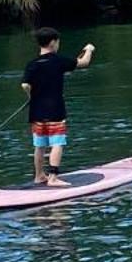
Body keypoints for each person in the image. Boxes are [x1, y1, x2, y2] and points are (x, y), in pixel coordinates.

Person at [21, 28, 95, 187]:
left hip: (36, 111)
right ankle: (53, 178)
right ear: (53, 42)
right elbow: (84, 62)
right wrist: (89, 49)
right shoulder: (58, 60)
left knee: (39, 145)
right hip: (55, 110)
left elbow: (25, 85)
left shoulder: (32, 64)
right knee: (57, 143)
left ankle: (39, 176)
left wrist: (31, 97)